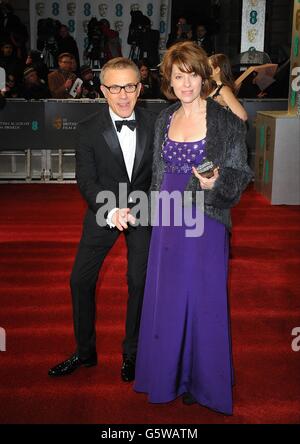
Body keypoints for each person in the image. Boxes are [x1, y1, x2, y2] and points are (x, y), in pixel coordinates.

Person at [134, 41, 253, 415]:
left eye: (192, 75)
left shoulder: (225, 121)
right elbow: (158, 173)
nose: (185, 84)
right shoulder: (164, 118)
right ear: (168, 80)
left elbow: (240, 173)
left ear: (205, 77)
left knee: (203, 298)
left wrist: (216, 183)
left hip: (206, 216)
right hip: (169, 217)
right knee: (167, 296)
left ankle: (202, 380)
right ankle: (167, 374)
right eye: (177, 76)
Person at [48, 57, 156, 382]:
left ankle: (132, 353)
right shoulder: (88, 128)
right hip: (103, 209)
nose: (123, 95)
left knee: (139, 282)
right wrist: (109, 211)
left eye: (130, 87)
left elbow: (160, 176)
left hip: (143, 208)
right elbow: (86, 179)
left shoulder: (157, 123)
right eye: (114, 87)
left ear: (140, 87)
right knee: (79, 280)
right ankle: (85, 352)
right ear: (102, 89)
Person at [209, 53, 248, 121]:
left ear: (217, 70)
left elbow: (243, 116)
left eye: (208, 67)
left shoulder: (224, 90)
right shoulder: (216, 87)